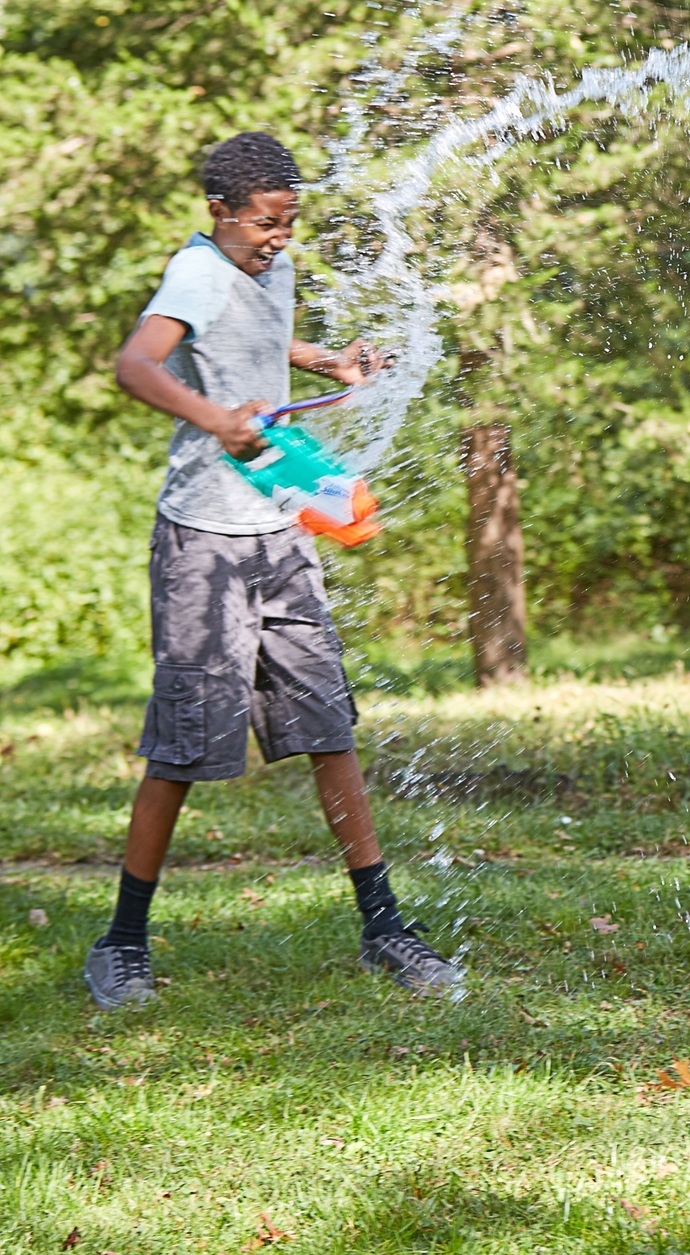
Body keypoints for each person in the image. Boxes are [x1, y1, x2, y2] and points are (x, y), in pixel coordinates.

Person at [83, 131, 463, 1008]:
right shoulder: (197, 273)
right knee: (182, 748)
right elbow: (135, 364)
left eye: (290, 221)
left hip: (281, 530)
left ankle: (384, 929)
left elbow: (258, 344)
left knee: (329, 727)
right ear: (220, 212)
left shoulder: (265, 266)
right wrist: (215, 420)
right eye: (265, 222)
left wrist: (327, 362)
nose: (279, 237)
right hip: (202, 544)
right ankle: (122, 941)